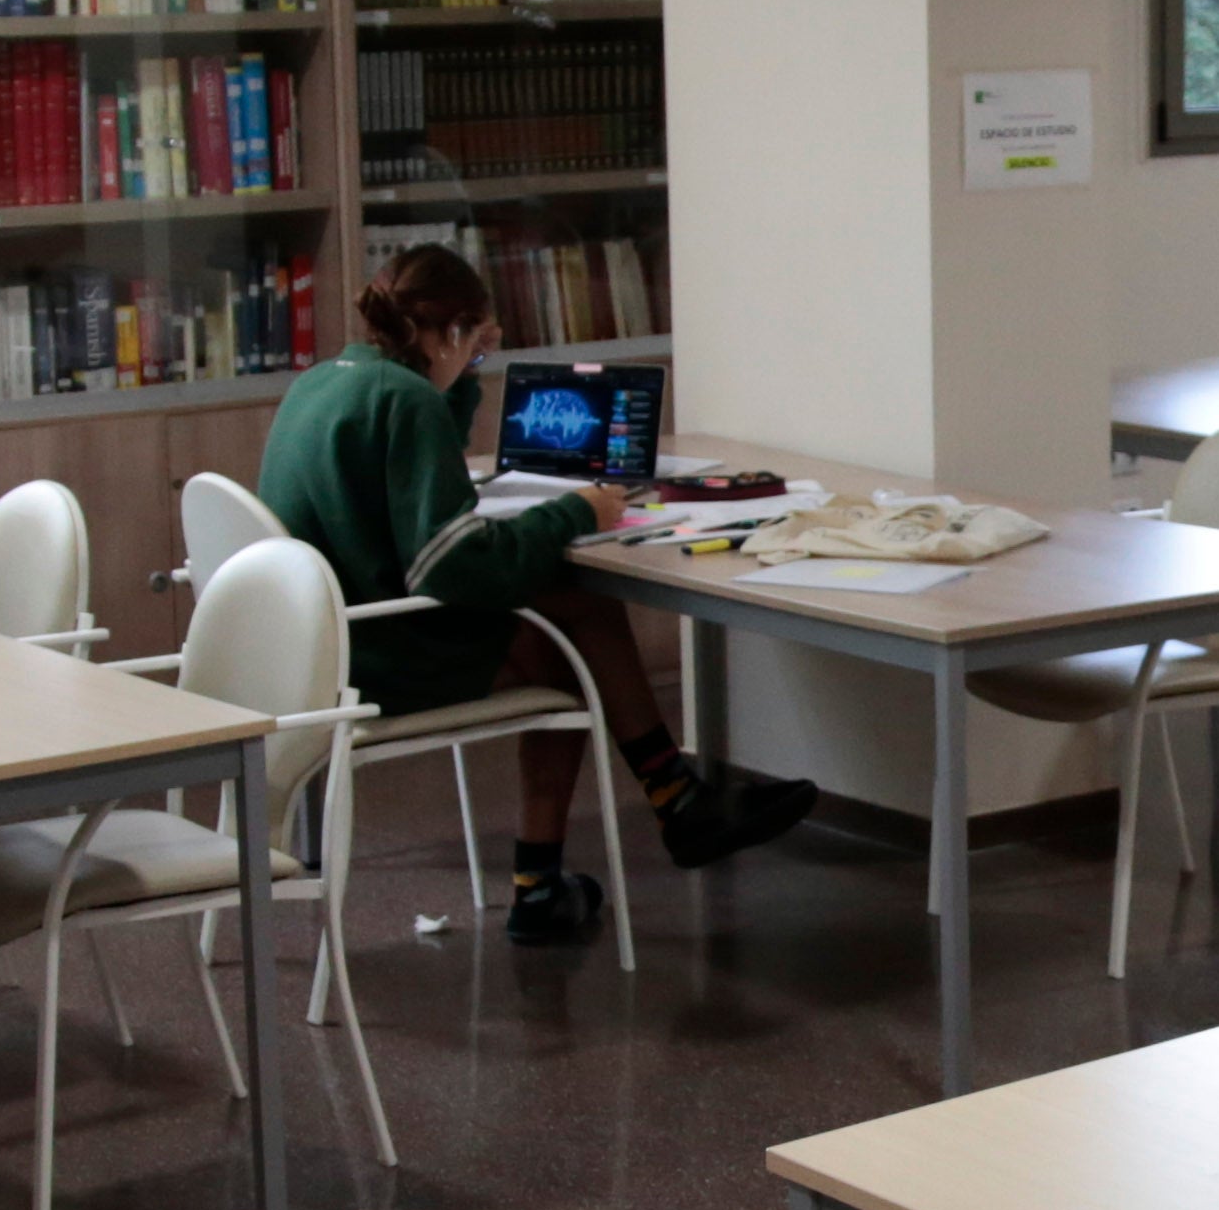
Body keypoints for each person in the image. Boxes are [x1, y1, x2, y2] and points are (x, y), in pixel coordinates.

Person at [252, 245, 811, 948]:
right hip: (380, 660)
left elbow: (423, 480)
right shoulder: (405, 401)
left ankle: (656, 812)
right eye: (476, 341)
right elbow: (454, 570)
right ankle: (627, 826)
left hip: (316, 647)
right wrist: (579, 512)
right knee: (569, 631)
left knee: (562, 614)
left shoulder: (329, 380)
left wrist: (459, 376)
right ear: (455, 330)